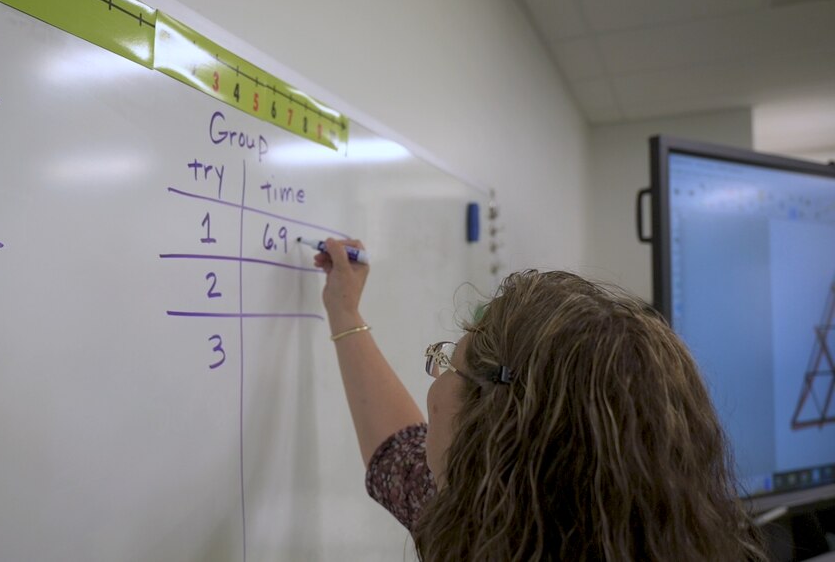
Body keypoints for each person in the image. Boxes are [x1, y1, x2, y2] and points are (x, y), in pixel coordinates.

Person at [313, 238, 767, 561]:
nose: (438, 381)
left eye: (452, 362)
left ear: (493, 433)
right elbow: (396, 454)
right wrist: (345, 310)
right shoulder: (503, 517)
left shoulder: (489, 533)